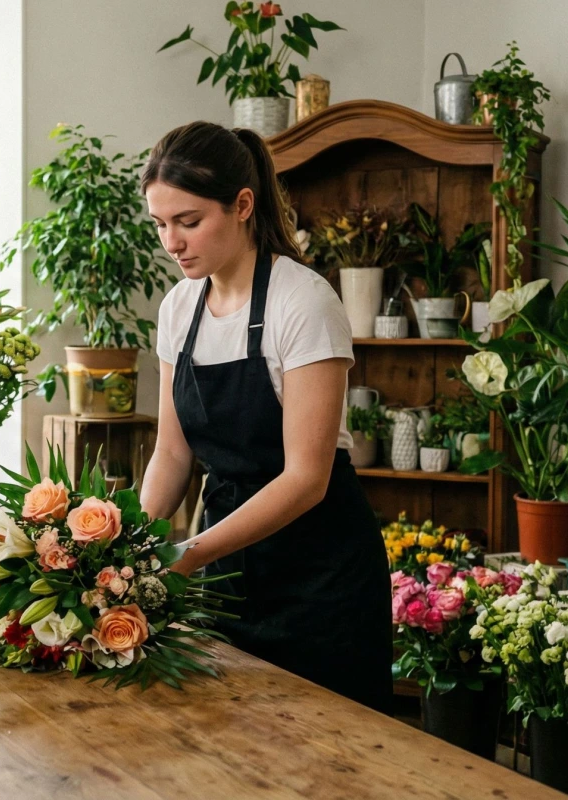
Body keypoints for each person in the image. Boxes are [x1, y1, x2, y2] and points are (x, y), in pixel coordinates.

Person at [138, 121, 391, 712]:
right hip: (227, 564)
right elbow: (172, 453)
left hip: (320, 576)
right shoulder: (179, 308)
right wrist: (129, 547)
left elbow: (307, 477)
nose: (171, 242)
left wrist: (191, 552)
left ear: (243, 205)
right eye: (160, 224)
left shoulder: (302, 301)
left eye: (189, 221)